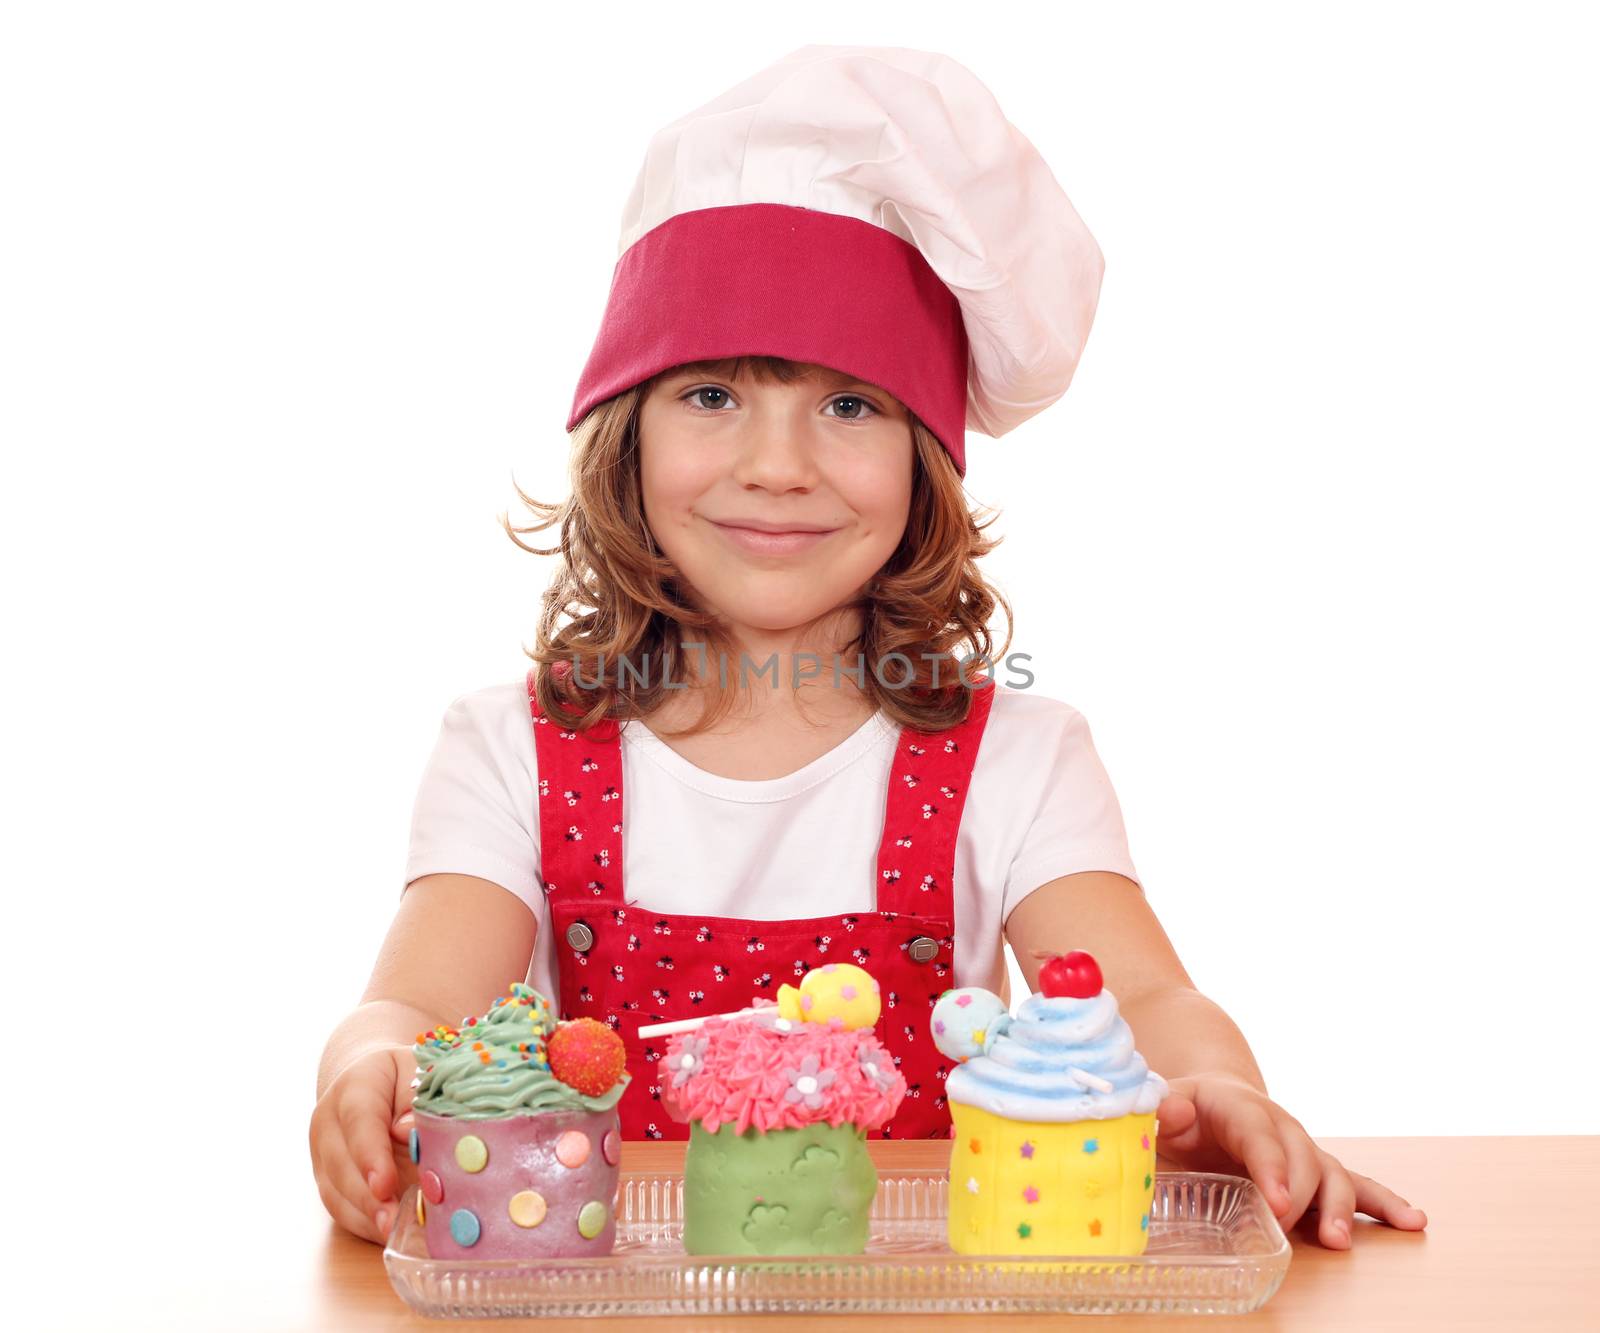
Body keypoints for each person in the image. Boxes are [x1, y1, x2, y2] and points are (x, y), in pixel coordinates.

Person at [310, 45, 1428, 1251]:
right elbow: (417, 1005)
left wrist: (1218, 1094)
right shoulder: (510, 751)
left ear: (925, 463)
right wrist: (368, 1067)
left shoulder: (1020, 758)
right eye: (711, 395)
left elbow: (1143, 997)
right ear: (622, 435)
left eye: (848, 404)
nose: (777, 465)